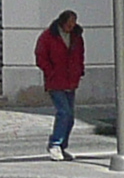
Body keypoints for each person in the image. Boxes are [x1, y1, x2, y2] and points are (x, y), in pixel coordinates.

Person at [34, 10, 86, 160]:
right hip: (55, 81)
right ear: (62, 22)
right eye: (69, 24)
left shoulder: (76, 36)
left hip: (71, 80)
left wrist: (79, 70)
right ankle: (54, 144)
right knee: (64, 112)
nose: (71, 27)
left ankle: (62, 146)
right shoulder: (48, 36)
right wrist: (50, 72)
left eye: (73, 24)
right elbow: (40, 56)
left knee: (70, 117)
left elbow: (80, 54)